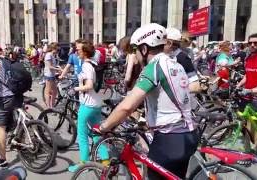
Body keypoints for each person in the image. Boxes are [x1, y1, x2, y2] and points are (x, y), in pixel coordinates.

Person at [94, 23, 199, 179]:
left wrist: (104, 127)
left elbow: (127, 106)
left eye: (136, 50)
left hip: (169, 139)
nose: (135, 55)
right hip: (189, 134)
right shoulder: (176, 64)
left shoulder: (153, 68)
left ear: (144, 49)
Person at [68, 40, 109, 172]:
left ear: (85, 52)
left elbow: (89, 85)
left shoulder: (86, 65)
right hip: (96, 103)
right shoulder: (94, 63)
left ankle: (84, 164)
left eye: (78, 50)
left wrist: (75, 89)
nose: (76, 52)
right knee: (96, 133)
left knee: (82, 135)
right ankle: (105, 160)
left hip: (87, 104)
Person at [164, 28, 200, 93]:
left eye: (162, 42)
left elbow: (195, 86)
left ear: (169, 43)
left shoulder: (183, 58)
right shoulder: (164, 57)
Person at [237, 33, 257, 109]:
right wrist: (238, 85)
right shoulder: (248, 58)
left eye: (255, 43)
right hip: (246, 96)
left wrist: (252, 90)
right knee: (243, 119)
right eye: (250, 43)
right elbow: (248, 75)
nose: (252, 45)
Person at [44, 42, 62, 108]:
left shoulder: (52, 55)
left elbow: (53, 65)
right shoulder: (48, 55)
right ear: (53, 48)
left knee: (55, 91)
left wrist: (58, 68)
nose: (58, 51)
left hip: (52, 74)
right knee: (48, 91)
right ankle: (49, 107)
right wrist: (58, 70)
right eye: (57, 50)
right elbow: (49, 66)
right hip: (49, 75)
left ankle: (52, 105)